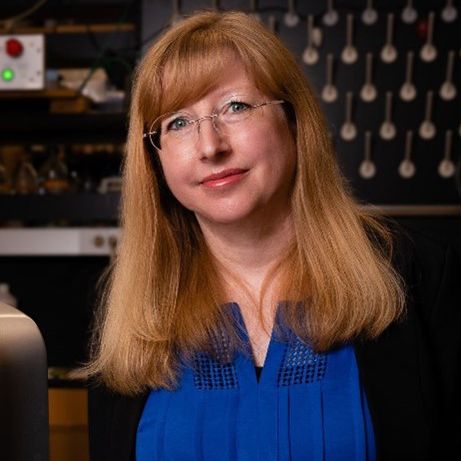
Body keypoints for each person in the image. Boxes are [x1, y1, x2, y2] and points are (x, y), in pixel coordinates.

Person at [86, 10, 461, 461]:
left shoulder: (418, 274)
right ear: (155, 160)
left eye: (236, 107)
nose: (210, 146)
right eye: (178, 123)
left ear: (293, 119)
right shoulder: (131, 309)